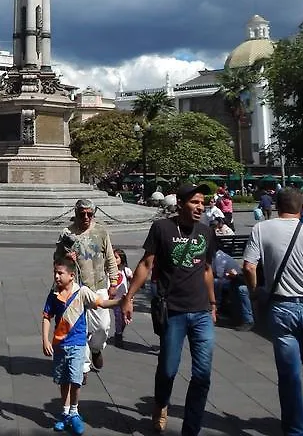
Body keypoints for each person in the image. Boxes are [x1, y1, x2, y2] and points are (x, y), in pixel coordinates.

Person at [242, 187, 303, 436]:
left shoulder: (261, 228)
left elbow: (248, 267)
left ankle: (296, 428)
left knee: (289, 371)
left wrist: (255, 292)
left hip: (281, 306)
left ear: (277, 205)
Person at [121, 184, 218, 435]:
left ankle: (191, 428)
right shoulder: (162, 228)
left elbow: (207, 270)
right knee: (167, 369)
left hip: (201, 312)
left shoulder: (206, 232)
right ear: (181, 203)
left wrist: (213, 303)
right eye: (195, 202)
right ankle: (161, 403)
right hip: (172, 311)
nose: (200, 206)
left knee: (202, 374)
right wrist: (129, 297)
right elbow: (146, 263)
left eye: (202, 202)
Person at [42, 256, 122, 434]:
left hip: (77, 344)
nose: (56, 276)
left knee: (75, 380)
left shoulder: (82, 292)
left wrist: (119, 302)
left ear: (71, 275)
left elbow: (100, 303)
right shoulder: (54, 293)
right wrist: (45, 340)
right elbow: (47, 316)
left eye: (60, 273)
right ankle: (64, 412)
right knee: (63, 380)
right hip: (60, 345)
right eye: (55, 272)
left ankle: (74, 412)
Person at [54, 199, 118, 375]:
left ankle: (96, 348)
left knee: (103, 325)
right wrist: (67, 257)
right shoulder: (67, 233)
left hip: (98, 285)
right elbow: (57, 261)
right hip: (76, 289)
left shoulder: (101, 231)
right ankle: (83, 367)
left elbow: (110, 257)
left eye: (90, 214)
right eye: (82, 214)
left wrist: (113, 282)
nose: (86, 217)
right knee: (81, 327)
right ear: (76, 214)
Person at [213, 249, 254, 330]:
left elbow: (220, 276)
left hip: (240, 282)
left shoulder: (220, 257)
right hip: (234, 280)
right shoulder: (213, 256)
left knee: (217, 282)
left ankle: (248, 320)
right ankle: (234, 317)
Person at [111, 248, 133, 345]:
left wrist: (131, 295)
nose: (114, 260)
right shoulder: (110, 271)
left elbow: (132, 282)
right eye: (113, 258)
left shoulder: (126, 270)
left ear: (122, 259)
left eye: (116, 258)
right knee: (118, 317)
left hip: (124, 299)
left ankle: (120, 331)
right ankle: (118, 335)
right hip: (115, 299)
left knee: (124, 318)